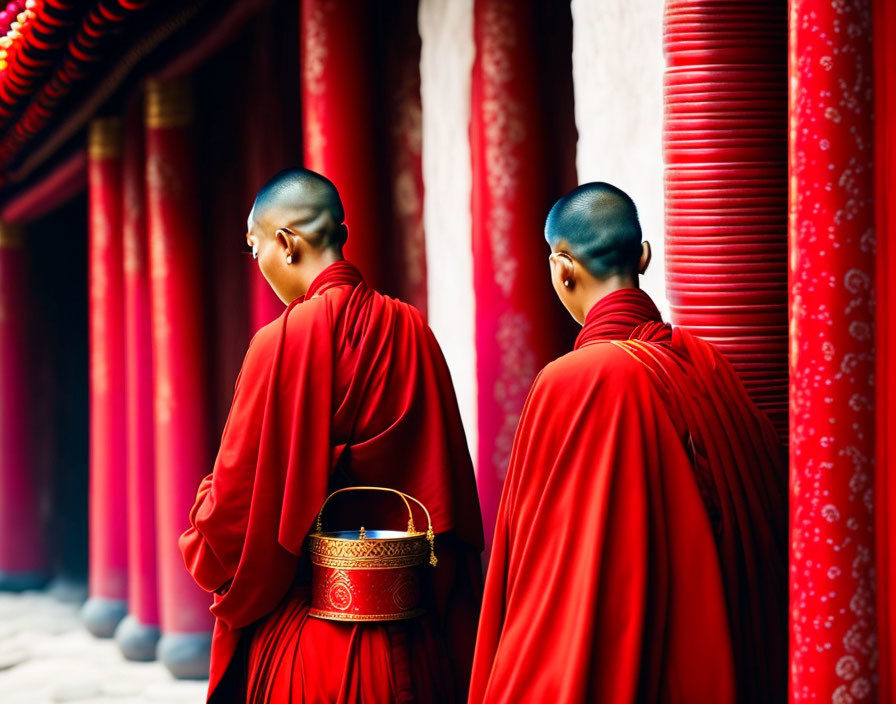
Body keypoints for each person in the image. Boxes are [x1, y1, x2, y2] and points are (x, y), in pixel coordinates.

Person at [468, 182, 787, 703]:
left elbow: (545, 590)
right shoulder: (709, 367)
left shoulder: (574, 381)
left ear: (562, 268)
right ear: (643, 256)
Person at [180, 168, 483, 703]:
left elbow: (229, 519)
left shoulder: (279, 344)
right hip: (415, 642)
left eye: (256, 252)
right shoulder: (413, 329)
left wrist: (203, 511)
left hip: (308, 649)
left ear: (286, 243)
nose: (262, 268)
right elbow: (450, 499)